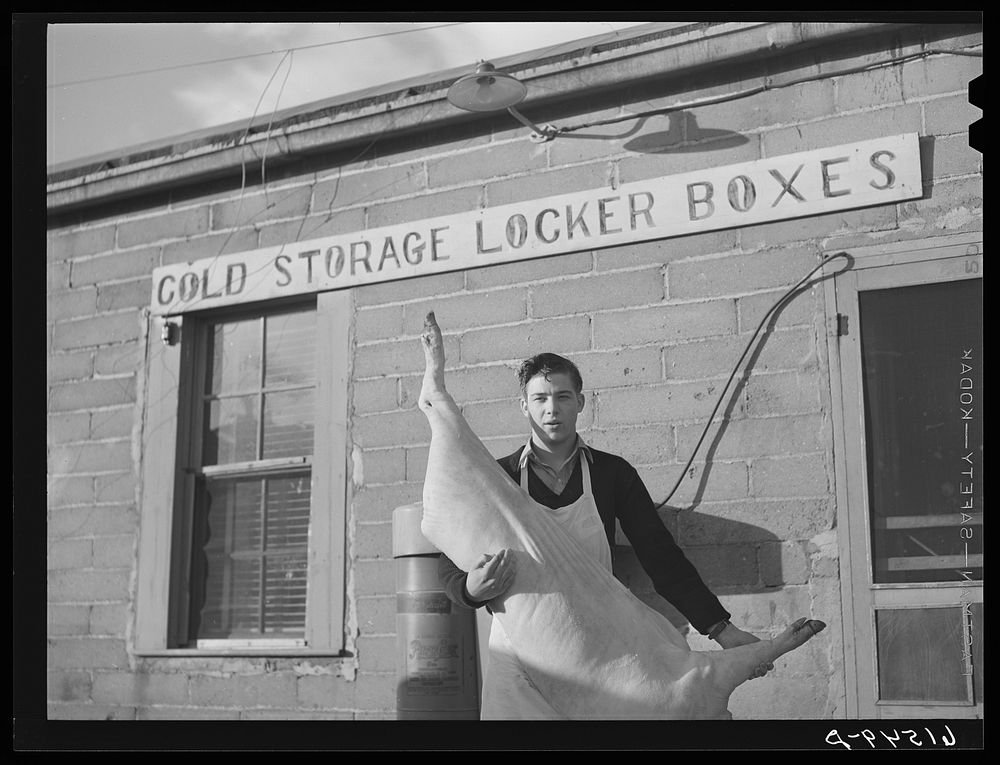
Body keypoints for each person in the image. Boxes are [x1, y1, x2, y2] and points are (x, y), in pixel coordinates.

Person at [437, 352, 772, 719]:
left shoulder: (612, 474)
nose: (552, 409)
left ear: (580, 402)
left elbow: (661, 558)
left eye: (563, 397)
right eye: (540, 399)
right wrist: (470, 588)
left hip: (600, 654)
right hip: (519, 660)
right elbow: (448, 565)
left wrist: (720, 628)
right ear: (524, 406)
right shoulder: (499, 480)